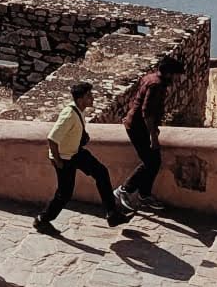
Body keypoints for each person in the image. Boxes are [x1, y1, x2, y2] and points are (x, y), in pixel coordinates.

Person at [34, 81, 131, 235]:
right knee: (64, 194)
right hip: (65, 158)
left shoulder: (80, 110)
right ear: (80, 99)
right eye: (89, 96)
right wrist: (58, 161)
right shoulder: (69, 114)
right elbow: (52, 139)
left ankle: (112, 214)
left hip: (76, 153)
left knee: (101, 172)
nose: (92, 98)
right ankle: (42, 220)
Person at [113, 56, 178, 216]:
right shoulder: (157, 85)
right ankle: (124, 190)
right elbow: (147, 113)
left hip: (138, 125)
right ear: (169, 74)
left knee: (154, 162)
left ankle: (144, 195)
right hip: (138, 128)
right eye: (175, 74)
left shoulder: (150, 77)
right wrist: (153, 137)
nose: (176, 78)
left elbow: (137, 101)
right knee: (150, 161)